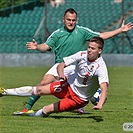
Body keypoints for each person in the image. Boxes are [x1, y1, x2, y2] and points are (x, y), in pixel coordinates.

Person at [13, 8, 133, 115]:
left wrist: (120, 30)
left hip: (76, 67)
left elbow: (102, 36)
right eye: (69, 19)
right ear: (63, 19)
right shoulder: (57, 34)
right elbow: (45, 46)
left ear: (76, 20)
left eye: (73, 20)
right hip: (60, 64)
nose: (71, 22)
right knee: (43, 83)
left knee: (80, 85)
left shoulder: (82, 31)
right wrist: (37, 46)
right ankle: (28, 107)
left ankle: (80, 105)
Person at [0, 37, 108, 117]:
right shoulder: (81, 54)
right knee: (39, 89)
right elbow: (61, 64)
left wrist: (100, 104)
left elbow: (104, 89)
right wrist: (61, 75)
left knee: (47, 110)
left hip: (78, 99)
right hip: (68, 86)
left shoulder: (101, 67)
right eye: (89, 47)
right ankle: (3, 92)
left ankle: (29, 116)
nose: (89, 50)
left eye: (93, 48)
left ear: (99, 51)